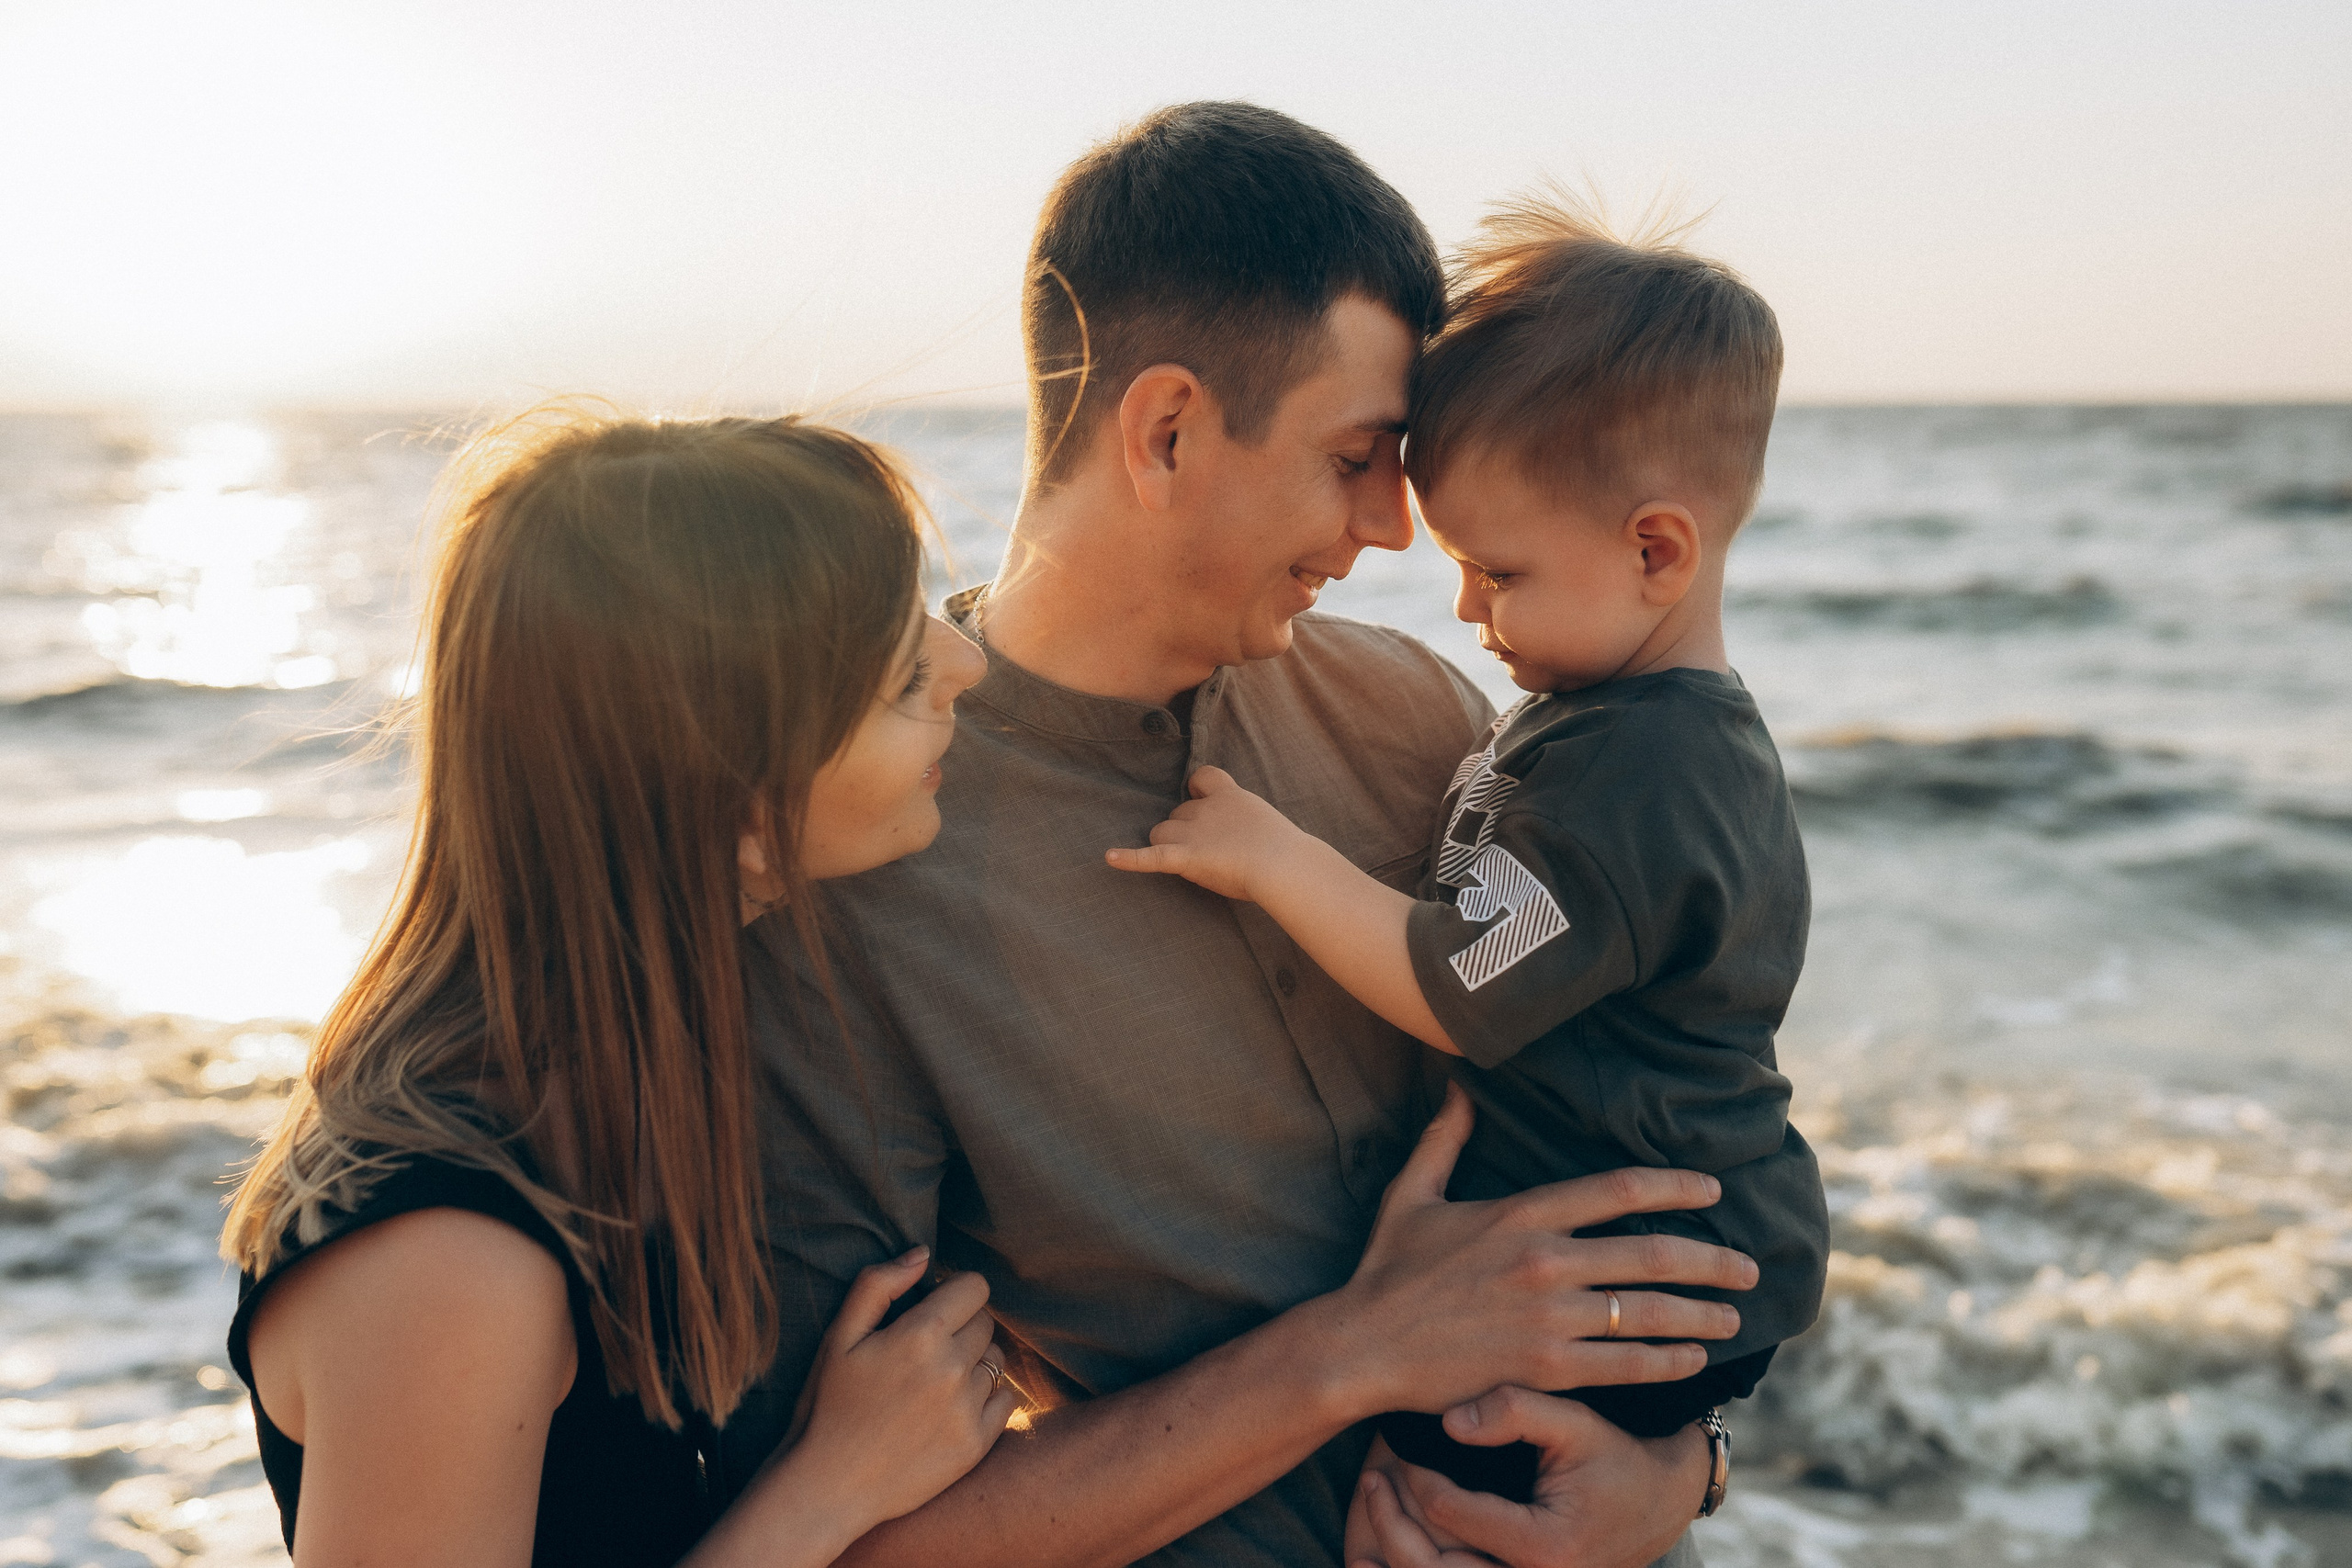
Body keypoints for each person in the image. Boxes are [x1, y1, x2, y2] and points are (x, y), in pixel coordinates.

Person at [722, 103, 1757, 1568]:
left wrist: (1682, 1473)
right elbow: (852, 1538)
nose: (1398, 527)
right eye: (1357, 455)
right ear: (1165, 432)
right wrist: (1352, 1352)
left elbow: (1661, 1131)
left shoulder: (1425, 715)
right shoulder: (862, 863)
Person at [1109, 189, 1830, 1506]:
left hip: (1657, 1274)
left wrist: (1273, 855)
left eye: (1495, 572)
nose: (1461, 605)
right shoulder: (1604, 716)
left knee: (1435, 1502)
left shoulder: (1647, 774)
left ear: (1657, 548)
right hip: (1622, 1249)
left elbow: (1454, 981)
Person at [220, 411, 1014, 1566]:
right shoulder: (447, 1259)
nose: (967, 663)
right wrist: (827, 1490)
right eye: (900, 672)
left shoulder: (622, 1074)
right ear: (741, 804)